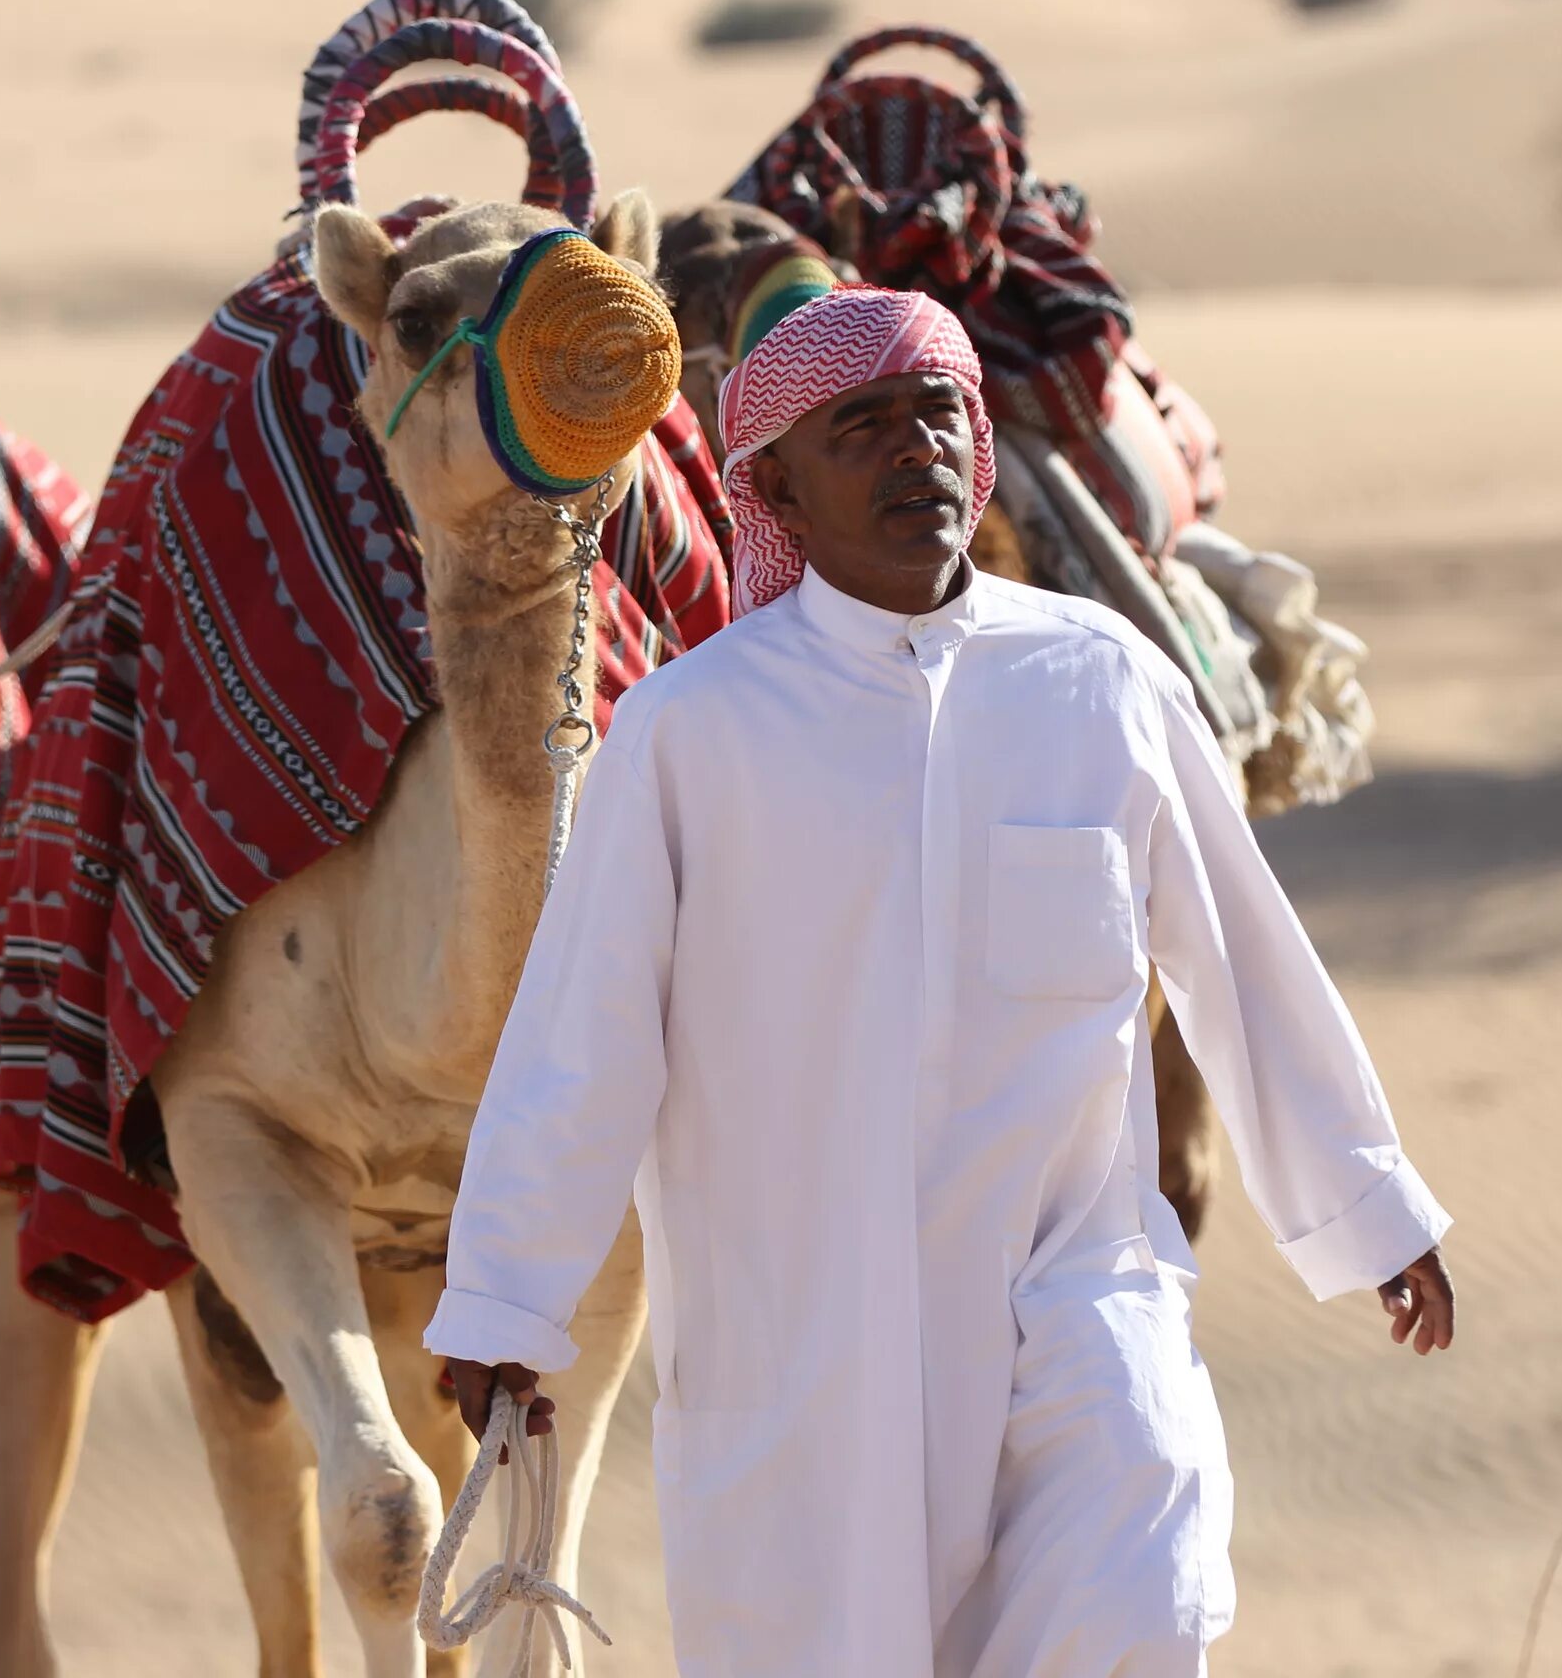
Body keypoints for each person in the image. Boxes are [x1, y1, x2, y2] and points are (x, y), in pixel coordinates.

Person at [424, 287, 1456, 1676]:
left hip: (1080, 1304)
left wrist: (1369, 1204)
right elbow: (582, 1047)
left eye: (940, 415)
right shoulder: (691, 735)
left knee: (1135, 1616)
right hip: (805, 1353)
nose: (919, 450)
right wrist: (505, 1308)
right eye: (867, 425)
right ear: (777, 481)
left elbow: (1244, 957)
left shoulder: (1102, 684)